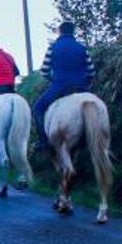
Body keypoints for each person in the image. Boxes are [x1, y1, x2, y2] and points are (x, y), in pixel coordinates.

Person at [33, 21, 96, 153]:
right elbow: (91, 71)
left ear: (59, 31)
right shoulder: (82, 47)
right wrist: (85, 83)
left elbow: (44, 70)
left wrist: (53, 79)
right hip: (81, 87)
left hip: (60, 86)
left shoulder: (53, 47)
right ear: (73, 32)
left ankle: (43, 142)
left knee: (38, 108)